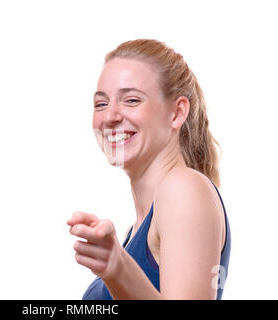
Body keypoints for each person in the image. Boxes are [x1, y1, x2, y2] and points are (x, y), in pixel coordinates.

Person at [67, 39, 231, 300]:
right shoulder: (133, 234)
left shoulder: (184, 189)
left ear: (176, 113)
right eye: (100, 104)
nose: (109, 116)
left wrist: (119, 269)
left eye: (131, 100)